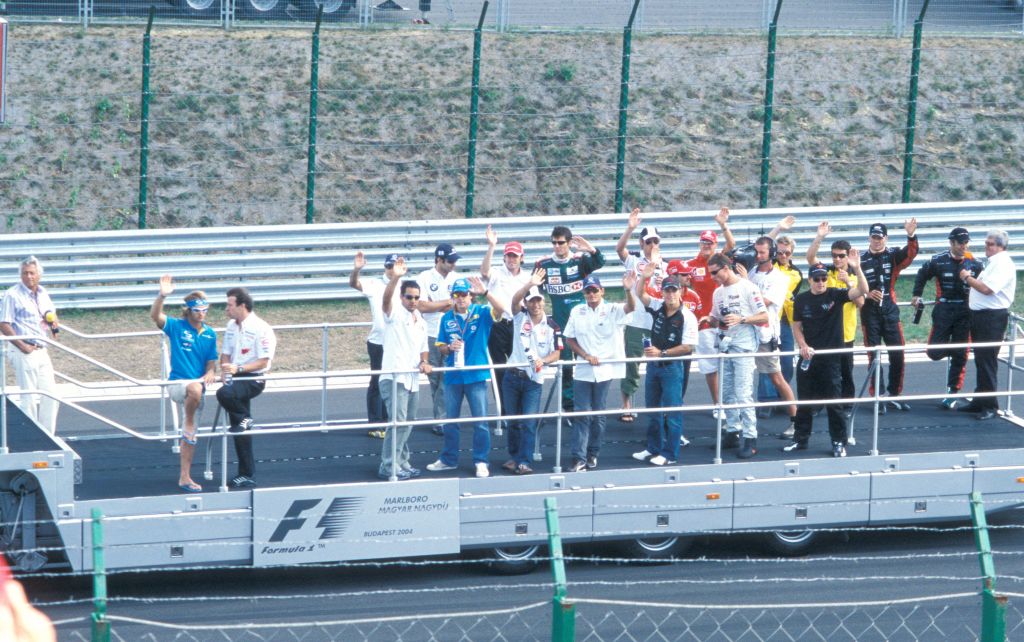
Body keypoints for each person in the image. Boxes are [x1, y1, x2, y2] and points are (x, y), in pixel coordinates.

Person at [786, 256, 870, 458]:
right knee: (805, 401)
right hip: (809, 357)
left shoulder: (835, 294)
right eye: (817, 279)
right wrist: (803, 346)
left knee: (835, 402)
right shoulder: (802, 299)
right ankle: (800, 439)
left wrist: (857, 269)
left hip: (831, 358)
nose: (821, 282)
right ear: (810, 280)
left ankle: (838, 442)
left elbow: (862, 291)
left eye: (824, 278)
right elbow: (796, 326)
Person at [427, 277, 505, 478]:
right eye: (456, 295)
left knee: (480, 421)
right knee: (450, 421)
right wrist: (449, 348)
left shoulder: (482, 312)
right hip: (453, 375)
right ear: (452, 297)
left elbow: (502, 309)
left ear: (471, 296)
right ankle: (448, 459)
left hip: (476, 375)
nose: (460, 298)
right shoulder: (446, 318)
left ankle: (481, 461)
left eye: (464, 294)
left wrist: (486, 292)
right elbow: (441, 348)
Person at [150, 275, 218, 493]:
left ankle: (185, 477)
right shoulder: (177, 326)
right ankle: (187, 420)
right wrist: (162, 295)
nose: (202, 313)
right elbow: (155, 316)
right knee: (194, 391)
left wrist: (210, 372)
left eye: (205, 309)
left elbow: (211, 363)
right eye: (198, 309)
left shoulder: (209, 334)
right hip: (179, 384)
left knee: (190, 437)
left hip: (197, 389)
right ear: (188, 310)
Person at [563, 273, 636, 472]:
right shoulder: (577, 310)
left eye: (595, 289)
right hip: (584, 369)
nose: (591, 293)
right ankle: (578, 457)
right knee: (582, 414)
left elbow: (631, 308)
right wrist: (585, 355)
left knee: (599, 414)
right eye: (588, 290)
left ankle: (593, 453)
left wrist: (629, 290)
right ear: (583, 292)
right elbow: (569, 338)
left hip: (605, 369)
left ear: (602, 291)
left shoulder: (612, 309)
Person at [535, 225, 606, 412]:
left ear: (568, 243)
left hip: (584, 324)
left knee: (589, 363)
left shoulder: (580, 261)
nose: (557, 247)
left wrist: (591, 249)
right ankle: (569, 407)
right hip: (561, 325)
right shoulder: (543, 265)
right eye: (554, 243)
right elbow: (535, 294)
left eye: (561, 243)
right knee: (566, 368)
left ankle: (590, 403)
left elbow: (600, 262)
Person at [631, 270, 698, 466]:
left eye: (673, 291)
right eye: (667, 291)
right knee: (652, 409)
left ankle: (670, 454)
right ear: (662, 293)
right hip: (654, 366)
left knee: (672, 410)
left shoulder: (687, 316)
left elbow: (688, 346)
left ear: (681, 292)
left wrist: (662, 353)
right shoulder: (657, 306)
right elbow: (641, 294)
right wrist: (644, 276)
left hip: (672, 366)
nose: (670, 295)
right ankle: (653, 447)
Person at [705, 253, 767, 459]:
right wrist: (711, 319)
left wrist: (742, 319)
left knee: (743, 393)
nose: (712, 277)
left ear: (725, 267)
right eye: (710, 273)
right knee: (726, 392)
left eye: (715, 272)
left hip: (744, 347)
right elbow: (717, 318)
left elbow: (764, 316)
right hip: (725, 346)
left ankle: (751, 437)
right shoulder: (718, 293)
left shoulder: (748, 287)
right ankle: (733, 430)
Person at [911, 227, 982, 409]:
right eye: (960, 243)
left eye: (966, 243)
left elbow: (984, 285)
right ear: (951, 243)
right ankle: (954, 350)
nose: (963, 246)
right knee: (933, 352)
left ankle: (952, 393)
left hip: (965, 311)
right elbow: (921, 274)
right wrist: (916, 294)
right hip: (943, 308)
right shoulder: (938, 260)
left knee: (961, 354)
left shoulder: (975, 263)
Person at [501, 273, 562, 475]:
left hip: (534, 379)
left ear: (543, 302)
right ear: (526, 303)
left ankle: (524, 461)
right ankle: (514, 457)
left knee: (529, 421)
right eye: (531, 301)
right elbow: (513, 300)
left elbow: (557, 353)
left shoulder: (552, 326)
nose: (535, 305)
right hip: (512, 376)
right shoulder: (519, 317)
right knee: (512, 421)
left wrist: (542, 361)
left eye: (538, 301)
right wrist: (529, 284)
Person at [377, 258, 432, 480]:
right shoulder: (395, 313)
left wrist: (424, 362)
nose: (413, 301)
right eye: (409, 297)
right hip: (393, 376)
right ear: (402, 297)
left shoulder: (420, 319)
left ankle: (402, 461)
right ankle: (388, 465)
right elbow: (385, 301)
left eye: (417, 298)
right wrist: (397, 277)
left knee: (408, 423)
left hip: (412, 379)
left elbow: (423, 348)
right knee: (397, 423)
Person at [217, 287, 277, 489]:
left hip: (253, 379)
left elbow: (263, 362)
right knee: (239, 429)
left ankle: (246, 418)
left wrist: (238, 368)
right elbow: (225, 353)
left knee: (224, 394)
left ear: (242, 306)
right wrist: (226, 370)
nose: (226, 309)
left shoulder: (262, 328)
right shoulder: (230, 326)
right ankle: (246, 474)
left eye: (230, 305)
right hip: (235, 377)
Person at [806, 221, 866, 416]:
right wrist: (819, 237)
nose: (837, 259)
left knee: (845, 371)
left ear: (848, 256)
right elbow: (810, 258)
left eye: (841, 256)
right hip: (824, 334)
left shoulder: (855, 276)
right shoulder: (826, 273)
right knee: (820, 368)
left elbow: (861, 303)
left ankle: (846, 405)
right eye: (834, 256)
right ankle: (818, 404)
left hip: (845, 333)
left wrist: (848, 281)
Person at [615, 207, 669, 422]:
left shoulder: (666, 266)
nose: (653, 245)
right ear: (641, 244)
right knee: (632, 364)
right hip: (636, 322)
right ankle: (626, 404)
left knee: (661, 364)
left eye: (656, 241)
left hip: (658, 323)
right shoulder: (634, 261)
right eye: (648, 242)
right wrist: (630, 228)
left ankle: (661, 404)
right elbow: (619, 249)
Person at [859, 219, 918, 411]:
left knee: (898, 354)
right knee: (874, 356)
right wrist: (866, 293)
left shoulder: (892, 255)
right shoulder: (859, 258)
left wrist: (910, 236)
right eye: (874, 237)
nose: (877, 240)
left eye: (880, 237)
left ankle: (895, 394)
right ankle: (877, 396)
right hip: (869, 312)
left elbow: (910, 255)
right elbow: (851, 284)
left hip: (890, 310)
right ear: (869, 237)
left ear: (886, 238)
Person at [959, 229, 1016, 421]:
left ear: (1000, 246)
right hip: (982, 316)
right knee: (981, 360)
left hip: (991, 318)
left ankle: (991, 406)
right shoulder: (994, 263)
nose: (986, 246)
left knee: (987, 361)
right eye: (986, 243)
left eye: (990, 244)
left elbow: (987, 289)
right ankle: (980, 399)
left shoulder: (1002, 264)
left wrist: (967, 277)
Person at [744, 236, 798, 434]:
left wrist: (742, 283)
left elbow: (760, 304)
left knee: (777, 378)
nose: (757, 256)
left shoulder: (780, 278)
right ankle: (739, 420)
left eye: (761, 252)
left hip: (766, 335)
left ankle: (795, 420)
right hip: (747, 334)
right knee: (741, 378)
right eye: (756, 252)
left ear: (771, 253)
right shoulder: (751, 272)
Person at [0, 257, 60, 435]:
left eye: (32, 273)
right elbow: (3, 324)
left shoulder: (42, 293)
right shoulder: (12, 295)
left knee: (52, 394)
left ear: (39, 275)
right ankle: (31, 437)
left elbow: (50, 315)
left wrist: (54, 325)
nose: (29, 277)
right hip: (23, 350)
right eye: (25, 273)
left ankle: (48, 436)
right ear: (20, 275)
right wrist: (21, 345)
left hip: (41, 348)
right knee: (29, 397)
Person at [480, 226, 532, 423]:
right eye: (509, 256)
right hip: (498, 323)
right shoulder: (497, 272)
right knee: (499, 368)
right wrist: (491, 246)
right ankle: (503, 411)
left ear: (521, 258)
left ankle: (519, 410)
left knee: (519, 366)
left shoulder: (527, 277)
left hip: (519, 324)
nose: (511, 260)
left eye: (515, 256)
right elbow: (484, 272)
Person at [688, 208, 736, 418]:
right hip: (704, 323)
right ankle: (718, 404)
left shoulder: (719, 261)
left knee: (730, 364)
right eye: (703, 242)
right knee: (710, 366)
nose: (706, 245)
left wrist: (723, 225)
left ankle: (731, 402)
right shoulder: (691, 265)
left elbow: (732, 245)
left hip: (726, 321)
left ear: (716, 245)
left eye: (710, 243)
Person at [349, 251, 400, 439]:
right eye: (388, 266)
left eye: (393, 266)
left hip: (396, 341)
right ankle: (374, 423)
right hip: (378, 341)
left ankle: (389, 421)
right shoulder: (375, 283)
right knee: (377, 381)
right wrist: (356, 270)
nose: (391, 270)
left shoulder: (404, 285)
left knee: (393, 381)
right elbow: (354, 284)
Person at [417, 243, 460, 435]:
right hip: (431, 333)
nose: (453, 264)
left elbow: (462, 303)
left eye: (454, 261)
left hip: (453, 334)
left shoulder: (457, 278)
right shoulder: (424, 278)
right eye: (450, 261)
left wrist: (441, 306)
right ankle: (440, 416)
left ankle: (443, 419)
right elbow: (422, 306)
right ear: (439, 260)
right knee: (435, 379)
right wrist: (446, 303)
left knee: (447, 378)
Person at [665, 259, 703, 398]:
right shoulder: (660, 294)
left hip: (684, 347)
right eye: (684, 274)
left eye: (689, 274)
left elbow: (698, 318)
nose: (689, 277)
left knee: (683, 380)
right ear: (673, 275)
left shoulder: (694, 296)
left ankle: (677, 409)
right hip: (666, 346)